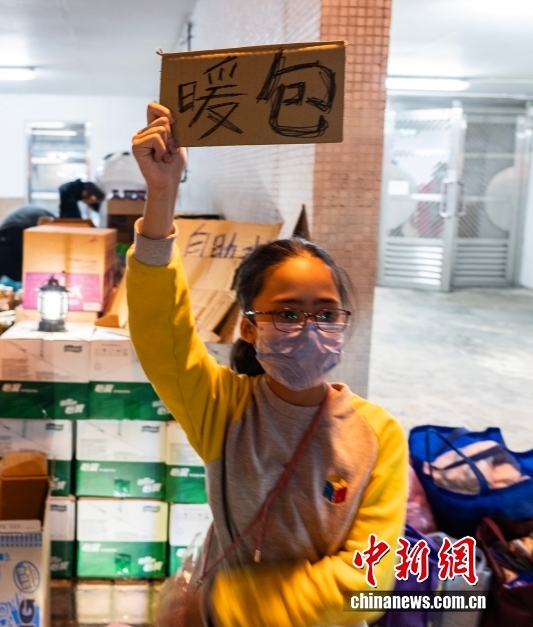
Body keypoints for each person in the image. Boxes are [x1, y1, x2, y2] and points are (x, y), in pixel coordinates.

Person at [128, 103, 407, 627]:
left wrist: (229, 601)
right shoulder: (224, 411)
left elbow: (367, 578)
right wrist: (162, 195)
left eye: (324, 312)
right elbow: (160, 333)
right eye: (286, 312)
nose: (307, 327)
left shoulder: (380, 437)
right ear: (250, 326)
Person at [0, 205, 55, 283]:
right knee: (7, 261)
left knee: (2, 260)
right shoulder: (54, 222)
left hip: (12, 229)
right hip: (16, 229)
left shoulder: (48, 218)